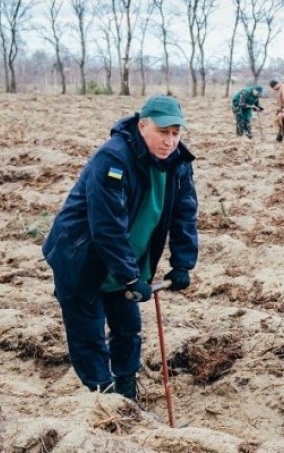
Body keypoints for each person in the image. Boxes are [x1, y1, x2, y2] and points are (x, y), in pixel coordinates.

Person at [42, 94, 199, 402]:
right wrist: (130, 277)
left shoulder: (178, 162)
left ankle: (127, 395)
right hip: (81, 257)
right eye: (163, 132)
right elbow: (107, 225)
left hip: (126, 260)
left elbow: (185, 212)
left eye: (175, 133)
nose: (170, 141)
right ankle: (104, 400)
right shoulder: (113, 158)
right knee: (89, 337)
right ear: (143, 126)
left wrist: (182, 263)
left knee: (128, 329)